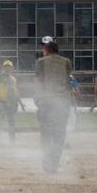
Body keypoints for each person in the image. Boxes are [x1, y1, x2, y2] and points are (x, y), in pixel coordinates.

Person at [34, 41, 74, 173]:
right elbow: (68, 82)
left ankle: (46, 162)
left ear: (47, 49)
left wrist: (37, 100)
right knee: (59, 134)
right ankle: (55, 163)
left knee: (46, 133)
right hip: (61, 103)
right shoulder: (66, 62)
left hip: (46, 102)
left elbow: (39, 82)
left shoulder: (41, 62)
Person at [0, 60, 19, 144]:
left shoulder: (13, 79)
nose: (7, 69)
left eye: (9, 67)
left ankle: (12, 140)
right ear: (3, 68)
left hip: (11, 103)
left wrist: (18, 101)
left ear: (12, 68)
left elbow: (15, 91)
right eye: (6, 67)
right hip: (1, 102)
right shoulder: (0, 77)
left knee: (11, 122)